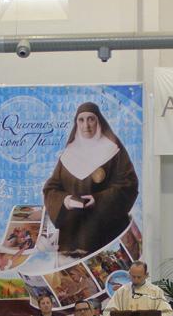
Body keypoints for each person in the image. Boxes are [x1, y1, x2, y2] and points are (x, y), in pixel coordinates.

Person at [42, 102, 139, 258]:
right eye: (81, 120)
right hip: (71, 234)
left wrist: (98, 199)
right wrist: (65, 200)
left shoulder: (113, 150)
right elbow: (51, 188)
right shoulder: (69, 152)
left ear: (98, 121)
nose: (86, 125)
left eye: (91, 119)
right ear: (76, 123)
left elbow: (128, 184)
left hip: (103, 230)